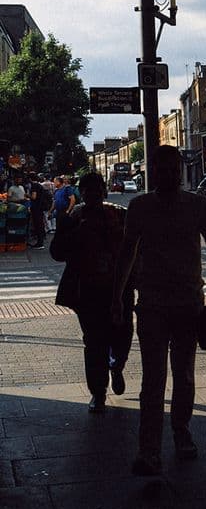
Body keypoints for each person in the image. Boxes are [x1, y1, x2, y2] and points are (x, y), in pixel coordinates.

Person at [111, 145, 206, 476]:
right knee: (153, 379)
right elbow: (126, 254)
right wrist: (117, 297)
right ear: (153, 171)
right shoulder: (139, 207)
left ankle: (180, 431)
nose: (170, 175)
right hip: (151, 305)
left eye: (174, 168)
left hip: (188, 302)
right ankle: (149, 450)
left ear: (180, 170)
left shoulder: (197, 205)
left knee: (184, 373)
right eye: (164, 169)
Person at [50, 173, 135, 413]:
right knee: (94, 342)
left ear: (103, 191)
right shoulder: (74, 218)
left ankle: (118, 365)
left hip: (120, 288)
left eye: (97, 189)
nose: (93, 195)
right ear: (82, 194)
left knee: (123, 334)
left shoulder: (120, 214)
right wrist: (77, 233)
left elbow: (137, 247)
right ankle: (98, 393)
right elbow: (57, 252)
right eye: (88, 191)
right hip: (88, 290)